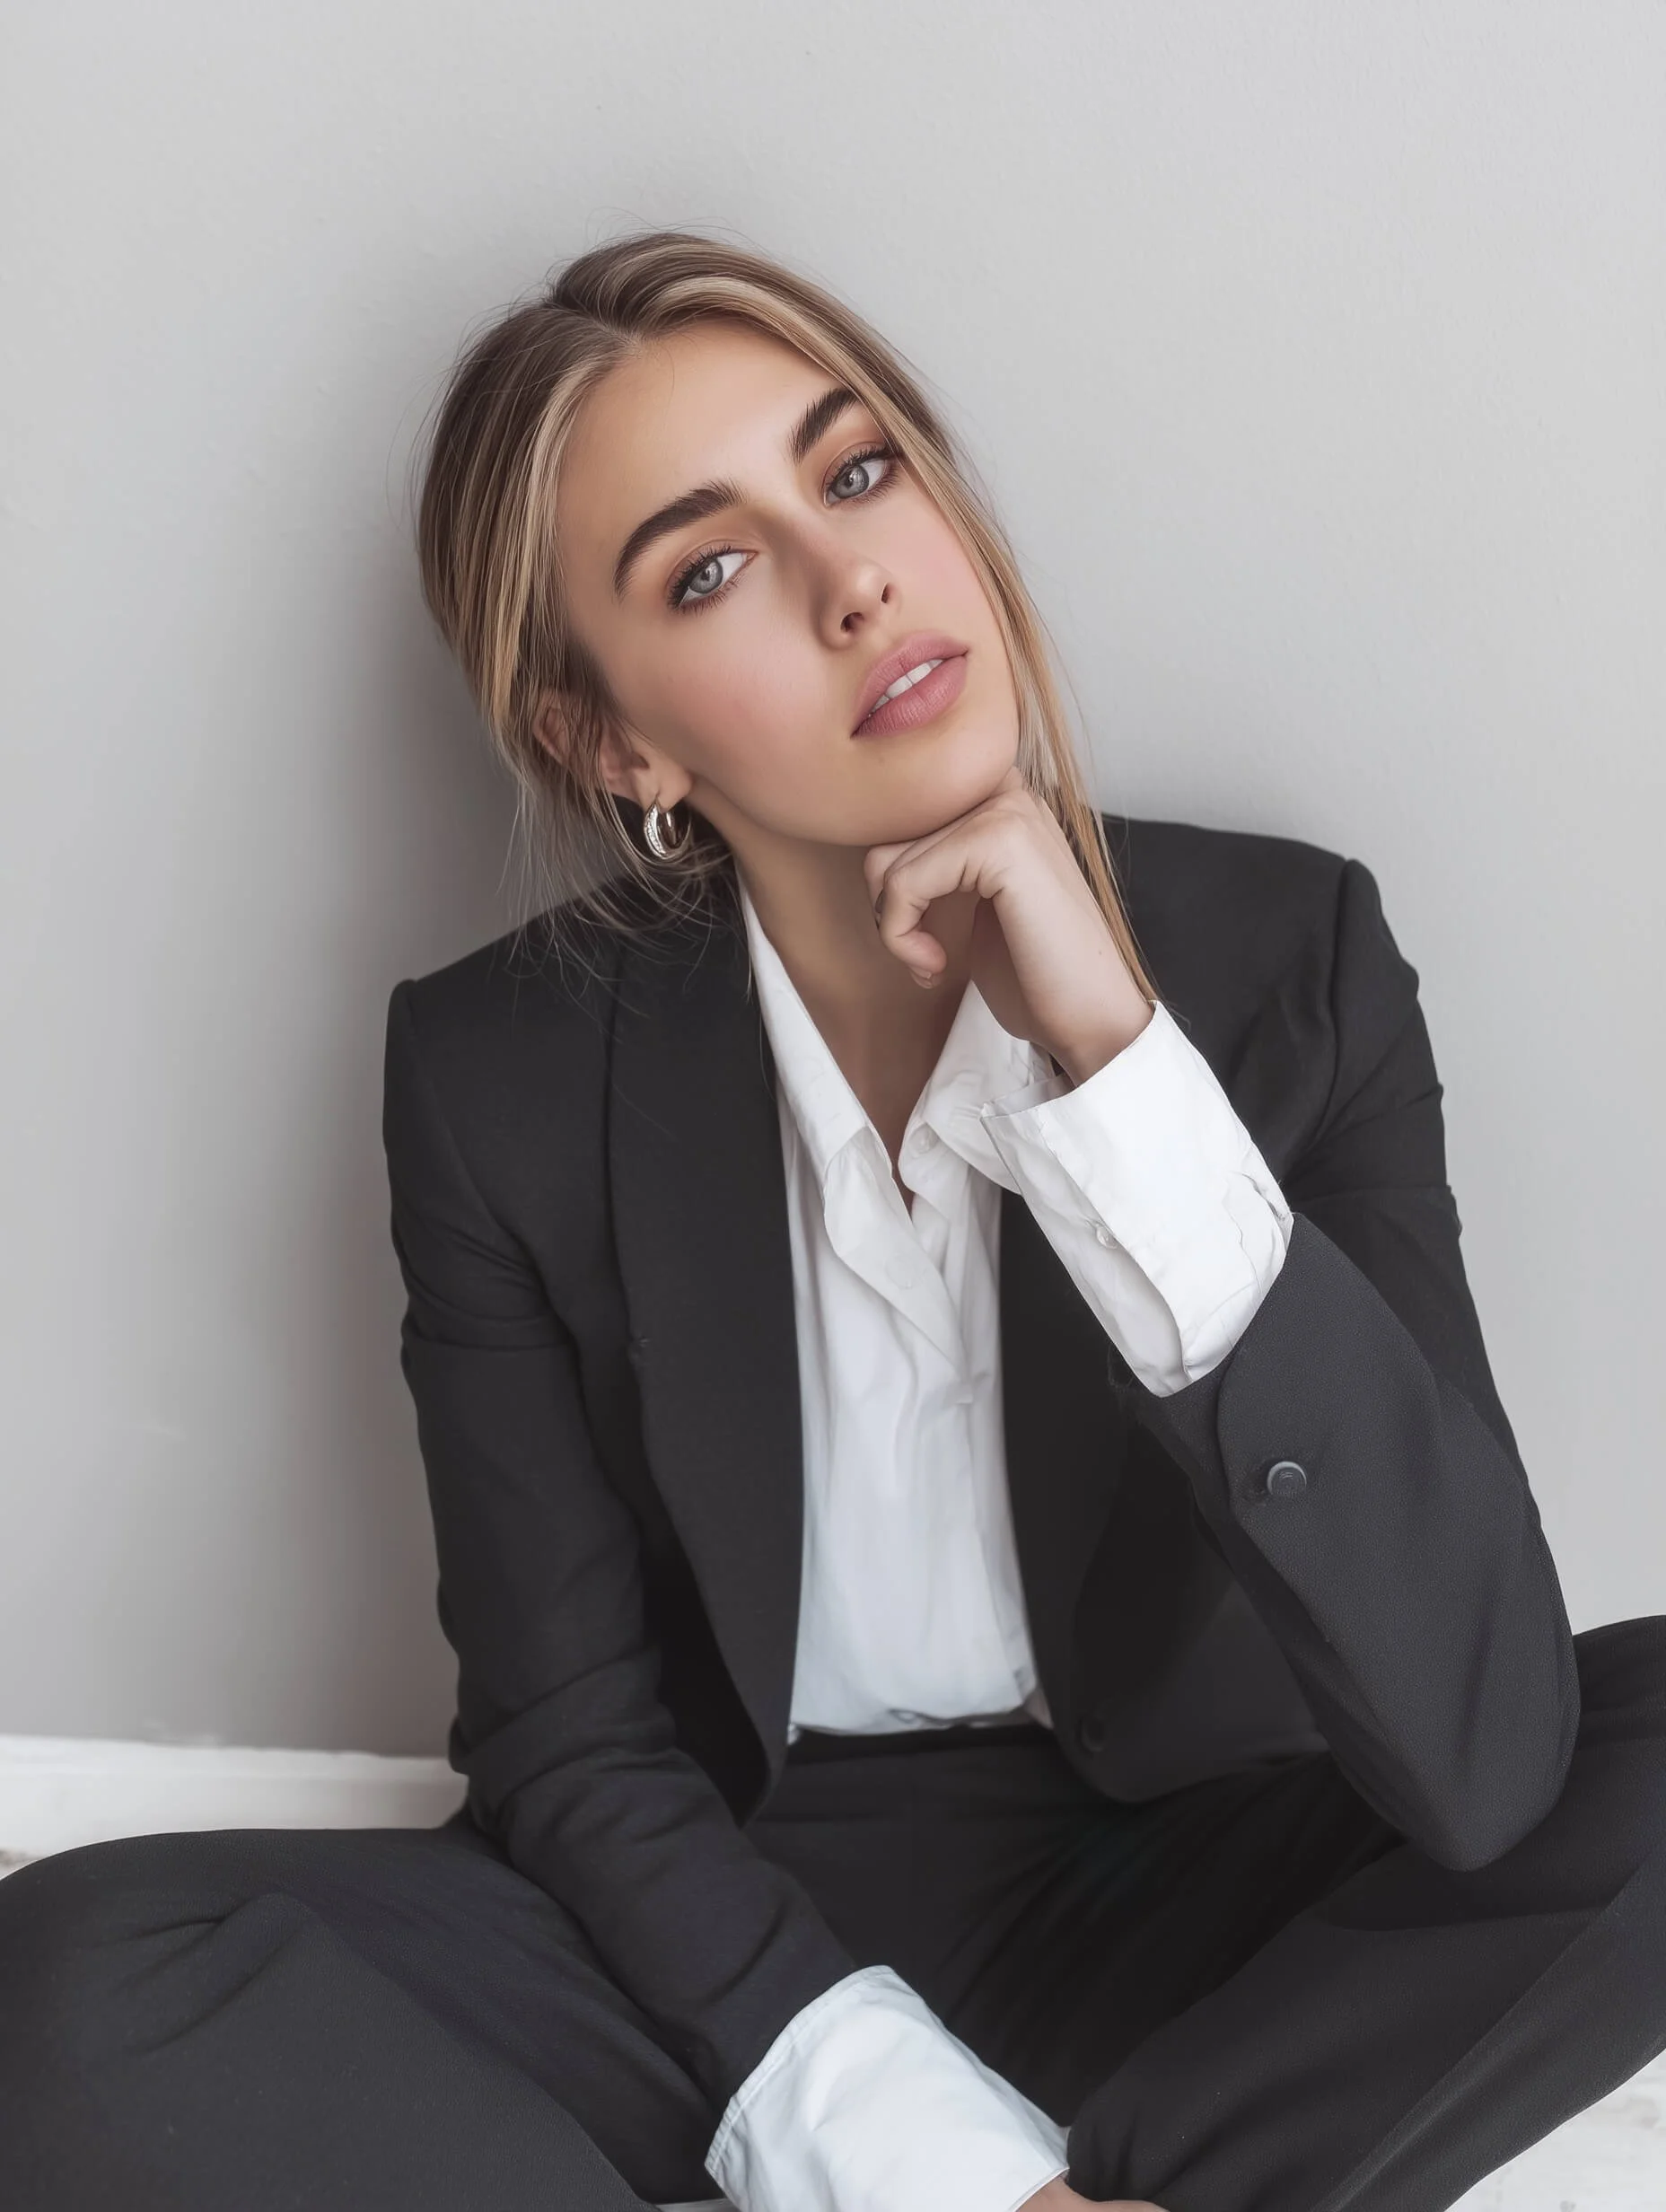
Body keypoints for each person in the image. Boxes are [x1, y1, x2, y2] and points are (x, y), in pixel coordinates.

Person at [1, 229, 1662, 2212]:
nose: (851, 576)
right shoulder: (497, 1076)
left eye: (857, 470)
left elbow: (1481, 1744)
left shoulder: (1284, 962)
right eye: (709, 569)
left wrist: (1116, 1067)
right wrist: (928, 2155)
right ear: (614, 741)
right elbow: (571, 1742)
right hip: (724, 1944)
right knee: (89, 1975)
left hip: (1192, 1907)